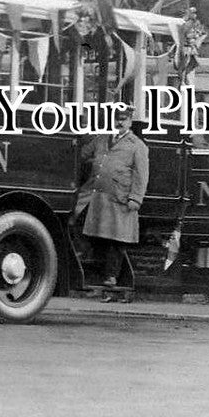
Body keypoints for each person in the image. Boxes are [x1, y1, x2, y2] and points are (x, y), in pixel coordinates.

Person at [75, 104, 149, 288]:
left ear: (130, 122)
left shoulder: (137, 146)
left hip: (120, 198)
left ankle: (111, 276)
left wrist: (136, 198)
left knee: (117, 240)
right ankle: (91, 266)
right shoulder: (101, 139)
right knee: (87, 230)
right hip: (96, 196)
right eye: (117, 119)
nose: (119, 122)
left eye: (123, 119)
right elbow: (82, 155)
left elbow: (142, 175)